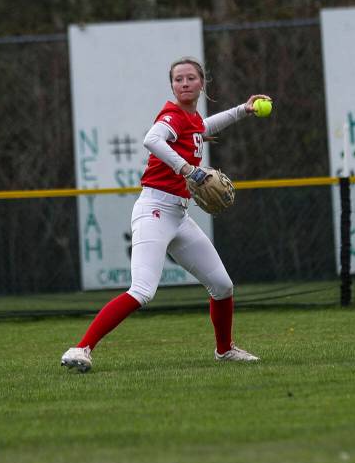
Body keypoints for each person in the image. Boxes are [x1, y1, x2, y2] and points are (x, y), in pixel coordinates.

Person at [60, 56, 270, 373]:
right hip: (154, 209)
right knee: (143, 290)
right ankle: (81, 348)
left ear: (202, 83)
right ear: (172, 85)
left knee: (222, 285)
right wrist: (187, 169)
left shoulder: (191, 119)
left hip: (178, 214)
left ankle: (225, 350)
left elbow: (204, 127)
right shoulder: (172, 115)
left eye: (190, 78)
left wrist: (243, 110)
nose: (184, 84)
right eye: (178, 79)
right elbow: (152, 139)